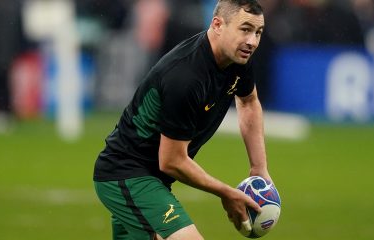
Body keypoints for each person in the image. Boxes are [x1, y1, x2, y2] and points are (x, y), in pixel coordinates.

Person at [93, 0, 272, 239]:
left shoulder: (238, 59)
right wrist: (226, 193)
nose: (252, 41)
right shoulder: (185, 77)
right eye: (245, 29)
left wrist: (259, 168)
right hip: (127, 175)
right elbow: (172, 161)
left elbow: (248, 101)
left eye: (258, 32)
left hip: (153, 179)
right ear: (218, 25)